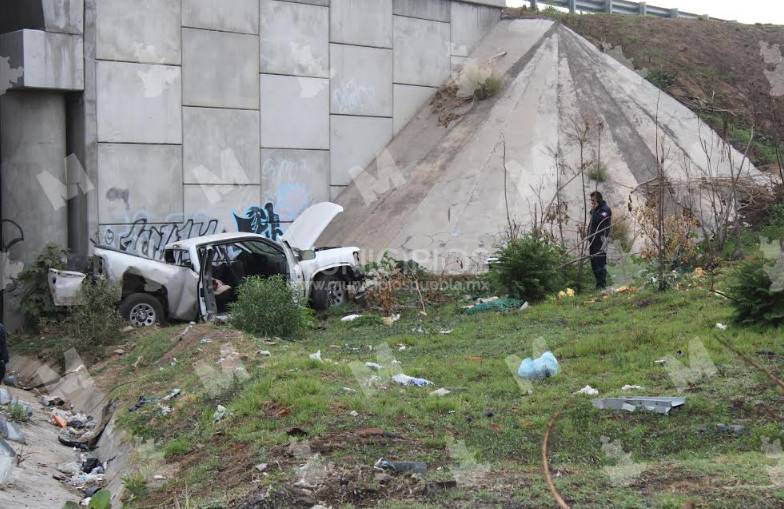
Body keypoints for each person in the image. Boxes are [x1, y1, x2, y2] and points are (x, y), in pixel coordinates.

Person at [587, 191, 612, 289]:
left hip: (601, 240)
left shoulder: (605, 209)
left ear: (598, 199)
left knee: (600, 262)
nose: (592, 202)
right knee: (594, 262)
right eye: (591, 201)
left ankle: (602, 284)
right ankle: (598, 284)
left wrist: (594, 210)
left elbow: (600, 219)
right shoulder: (597, 209)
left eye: (593, 200)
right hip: (593, 240)